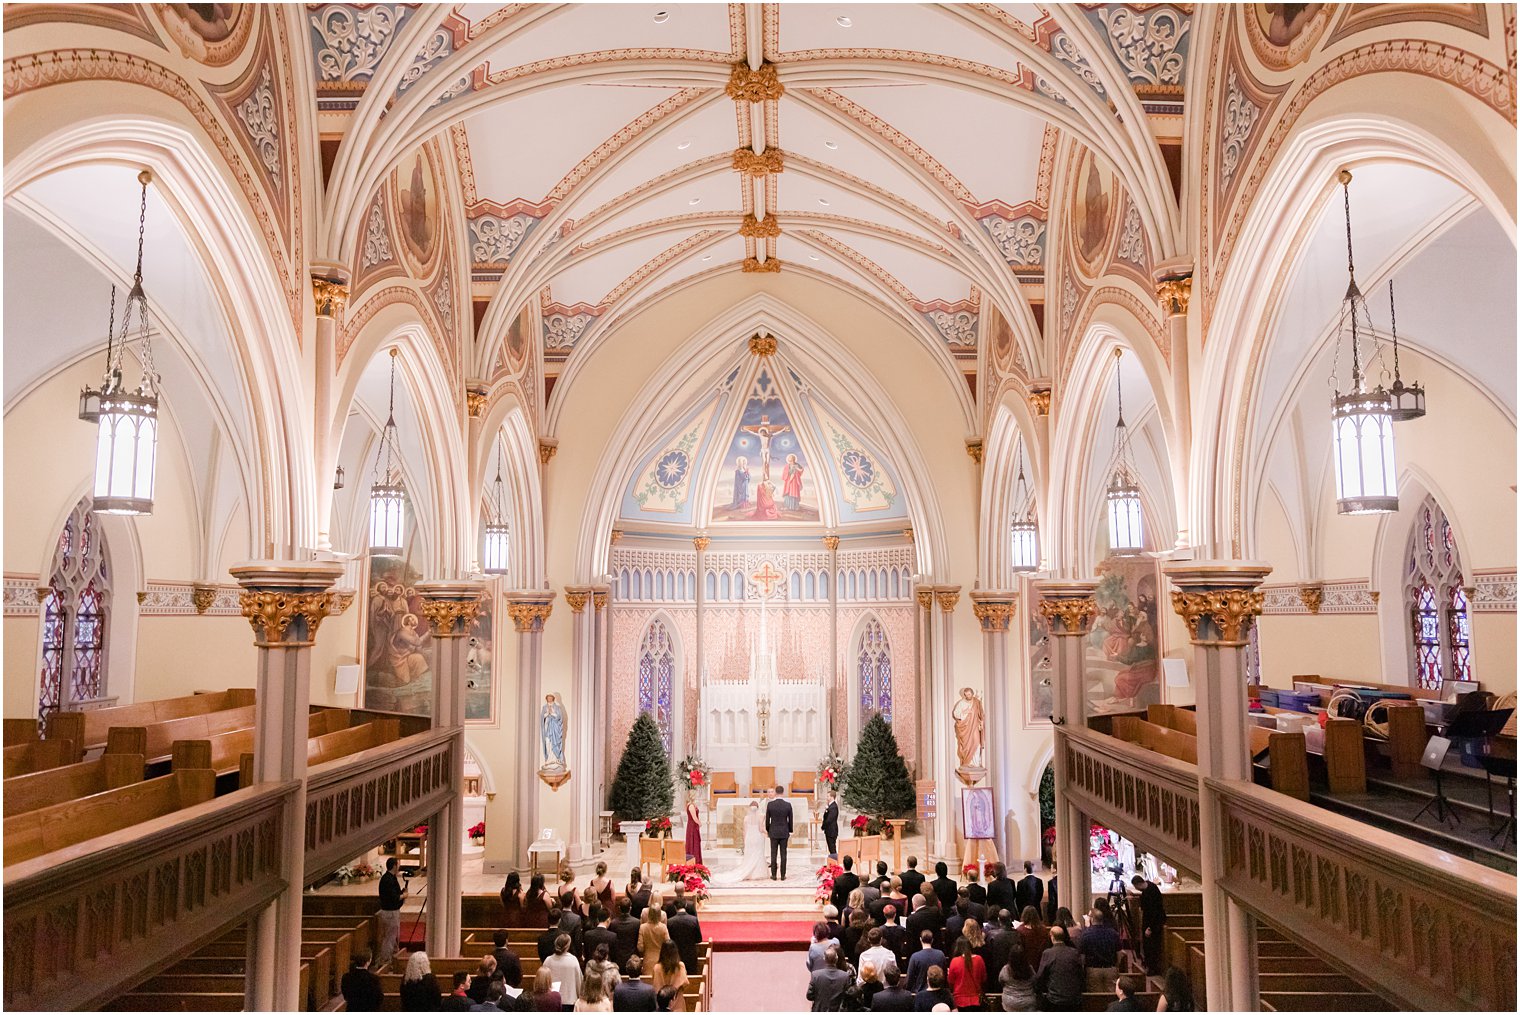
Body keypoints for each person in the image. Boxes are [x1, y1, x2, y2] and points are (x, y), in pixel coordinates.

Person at [714, 800, 770, 883]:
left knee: (750, 854)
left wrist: (745, 841)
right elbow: (761, 829)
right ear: (758, 808)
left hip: (749, 838)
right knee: (758, 854)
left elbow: (744, 831)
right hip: (758, 837)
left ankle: (750, 873)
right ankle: (757, 873)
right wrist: (768, 833)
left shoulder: (746, 818)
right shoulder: (761, 816)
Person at [1031, 927, 1083, 1012]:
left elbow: (1040, 976)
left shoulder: (1048, 953)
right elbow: (1080, 973)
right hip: (1073, 999)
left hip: (1055, 1000)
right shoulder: (1074, 952)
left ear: (1052, 936)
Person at [1077, 908, 1120, 992]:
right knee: (1111, 996)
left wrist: (1083, 969)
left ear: (1092, 919)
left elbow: (1082, 956)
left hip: (1093, 970)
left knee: (1096, 998)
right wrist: (1116, 966)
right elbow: (1119, 952)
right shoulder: (1113, 933)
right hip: (1110, 969)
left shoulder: (1086, 934)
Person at [1132, 875, 1166, 975]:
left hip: (1154, 924)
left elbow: (1155, 912)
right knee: (1147, 946)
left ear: (1138, 884)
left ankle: (1152, 968)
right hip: (1149, 921)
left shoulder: (1151, 892)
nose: (1136, 889)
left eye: (1135, 886)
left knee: (1151, 946)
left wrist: (1150, 928)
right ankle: (1148, 964)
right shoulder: (1149, 887)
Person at [806, 945, 854, 1012]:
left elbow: (809, 996)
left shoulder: (816, 975)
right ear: (836, 958)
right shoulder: (845, 976)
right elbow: (848, 995)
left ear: (824, 959)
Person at [542, 933, 583, 1010]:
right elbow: (579, 981)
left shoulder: (548, 960)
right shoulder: (573, 960)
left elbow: (542, 980)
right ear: (567, 946)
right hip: (569, 1000)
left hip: (551, 999)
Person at [378, 857, 406, 970]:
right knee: (389, 938)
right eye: (398, 865)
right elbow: (393, 897)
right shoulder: (388, 880)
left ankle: (393, 959)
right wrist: (404, 896)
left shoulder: (390, 878)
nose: (399, 867)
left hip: (391, 912)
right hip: (390, 913)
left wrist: (402, 893)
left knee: (392, 938)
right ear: (394, 866)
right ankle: (385, 962)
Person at [947, 938, 987, 1012]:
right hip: (976, 999)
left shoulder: (955, 961)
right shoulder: (979, 959)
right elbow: (984, 978)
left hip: (959, 1000)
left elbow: (951, 981)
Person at [651, 939, 690, 1012]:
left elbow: (655, 988)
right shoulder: (680, 966)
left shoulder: (657, 968)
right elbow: (686, 984)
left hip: (662, 1006)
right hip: (678, 1005)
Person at [766, 784, 794, 880]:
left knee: (773, 854)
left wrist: (768, 830)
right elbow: (790, 819)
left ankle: (773, 875)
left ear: (775, 793)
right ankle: (782, 875)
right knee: (783, 854)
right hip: (784, 832)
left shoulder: (770, 805)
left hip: (773, 831)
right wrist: (790, 830)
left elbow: (767, 820)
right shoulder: (788, 805)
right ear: (783, 792)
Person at [668, 902, 702, 976]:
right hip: (690, 955)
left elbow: (669, 940)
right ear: (685, 906)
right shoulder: (693, 919)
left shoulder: (670, 921)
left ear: (675, 908)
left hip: (676, 956)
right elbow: (699, 939)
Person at [584, 911, 618, 979]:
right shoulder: (613, 936)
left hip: (591, 972)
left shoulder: (587, 934)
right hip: (607, 973)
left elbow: (586, 953)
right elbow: (614, 956)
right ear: (608, 920)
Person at [610, 899, 641, 969]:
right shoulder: (637, 922)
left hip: (618, 958)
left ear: (619, 908)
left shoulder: (613, 923)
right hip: (632, 958)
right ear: (630, 908)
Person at [638, 904, 670, 972]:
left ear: (649, 914)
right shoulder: (663, 927)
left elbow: (640, 947)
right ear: (659, 914)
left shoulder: (643, 927)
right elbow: (668, 945)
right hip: (661, 960)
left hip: (648, 960)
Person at [682, 793, 703, 865]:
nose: (696, 796)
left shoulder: (692, 805)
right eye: (695, 795)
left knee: (695, 842)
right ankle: (694, 862)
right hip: (692, 827)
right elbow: (694, 818)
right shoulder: (691, 806)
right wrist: (699, 823)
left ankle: (696, 861)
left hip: (693, 826)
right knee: (693, 843)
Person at [821, 791, 840, 856]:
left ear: (832, 797)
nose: (827, 797)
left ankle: (835, 864)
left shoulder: (834, 807)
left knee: (832, 849)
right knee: (831, 848)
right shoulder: (830, 806)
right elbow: (825, 817)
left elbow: (829, 820)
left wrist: (823, 826)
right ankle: (833, 863)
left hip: (831, 831)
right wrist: (826, 810)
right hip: (829, 831)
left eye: (828, 796)